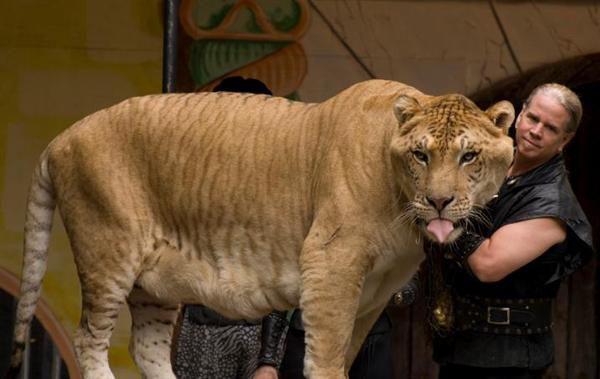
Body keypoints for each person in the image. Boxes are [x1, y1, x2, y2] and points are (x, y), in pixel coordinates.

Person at [428, 83, 595, 378]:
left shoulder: (553, 204)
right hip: (463, 345)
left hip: (509, 359)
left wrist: (441, 221)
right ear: (519, 117)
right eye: (533, 118)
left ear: (564, 140)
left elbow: (488, 265)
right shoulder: (494, 167)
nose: (536, 130)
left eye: (551, 128)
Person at [172, 76, 288, 379]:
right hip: (202, 326)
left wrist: (268, 359)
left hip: (258, 331)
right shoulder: (194, 173)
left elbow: (283, 270)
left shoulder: (279, 179)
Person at [253, 276, 420, 379]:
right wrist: (267, 362)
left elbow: (410, 286)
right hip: (310, 341)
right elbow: (279, 290)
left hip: (370, 341)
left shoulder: (385, 225)